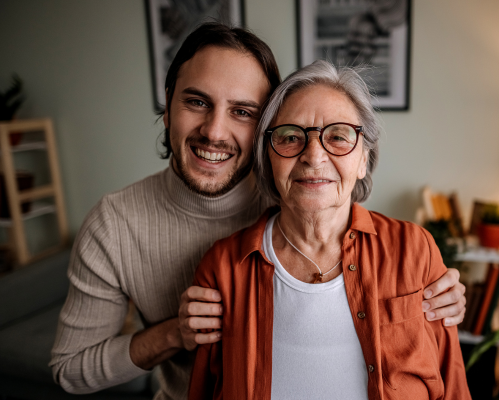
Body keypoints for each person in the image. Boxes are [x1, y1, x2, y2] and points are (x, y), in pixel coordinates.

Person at [50, 23, 466, 400]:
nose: (214, 131)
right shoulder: (118, 224)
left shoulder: (304, 194)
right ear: (168, 103)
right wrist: (175, 333)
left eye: (243, 111)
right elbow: (69, 371)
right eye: (196, 101)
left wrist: (431, 281)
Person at [189, 60, 470, 400]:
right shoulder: (222, 269)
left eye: (337, 136)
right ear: (269, 156)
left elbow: (452, 384)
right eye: (291, 137)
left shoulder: (414, 249)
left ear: (364, 159)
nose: (314, 156)